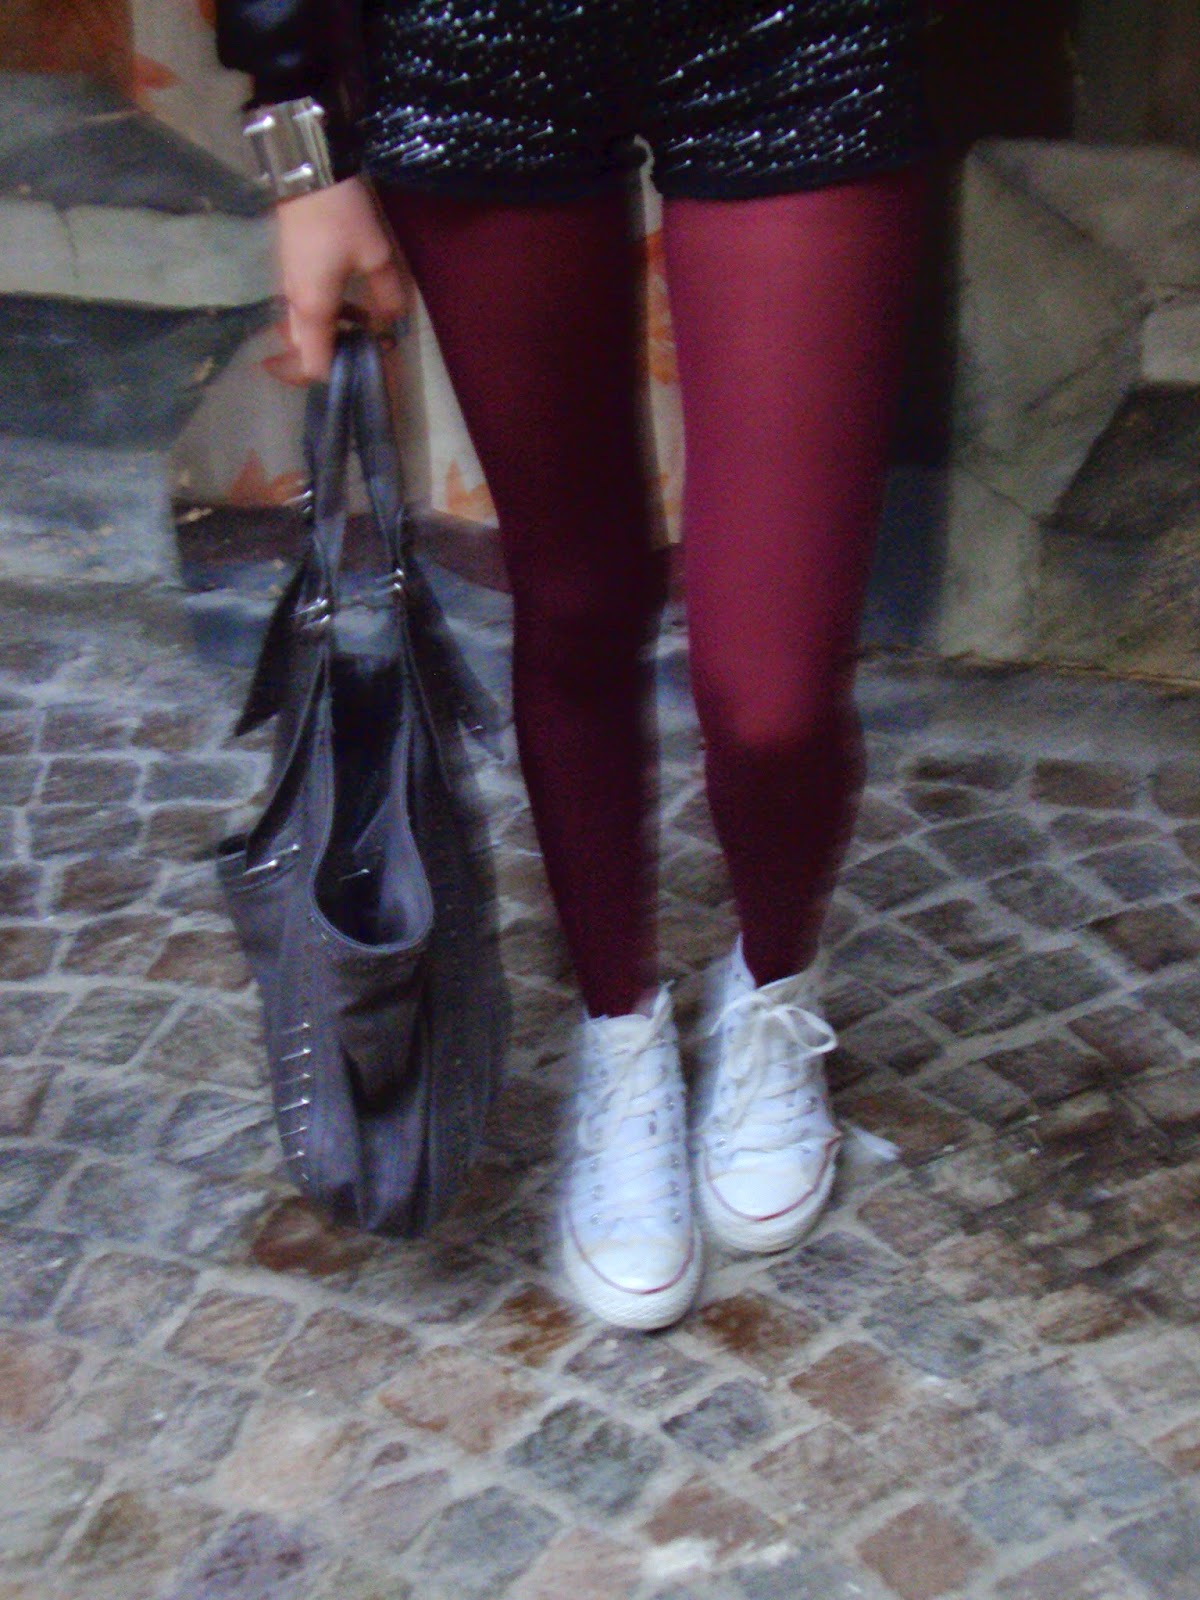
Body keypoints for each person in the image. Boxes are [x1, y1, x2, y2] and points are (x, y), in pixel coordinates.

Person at [216, 0, 928, 1330]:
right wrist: (297, 126)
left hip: (799, 32)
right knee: (575, 590)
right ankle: (621, 1033)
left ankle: (774, 991)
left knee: (772, 694)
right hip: (475, 33)